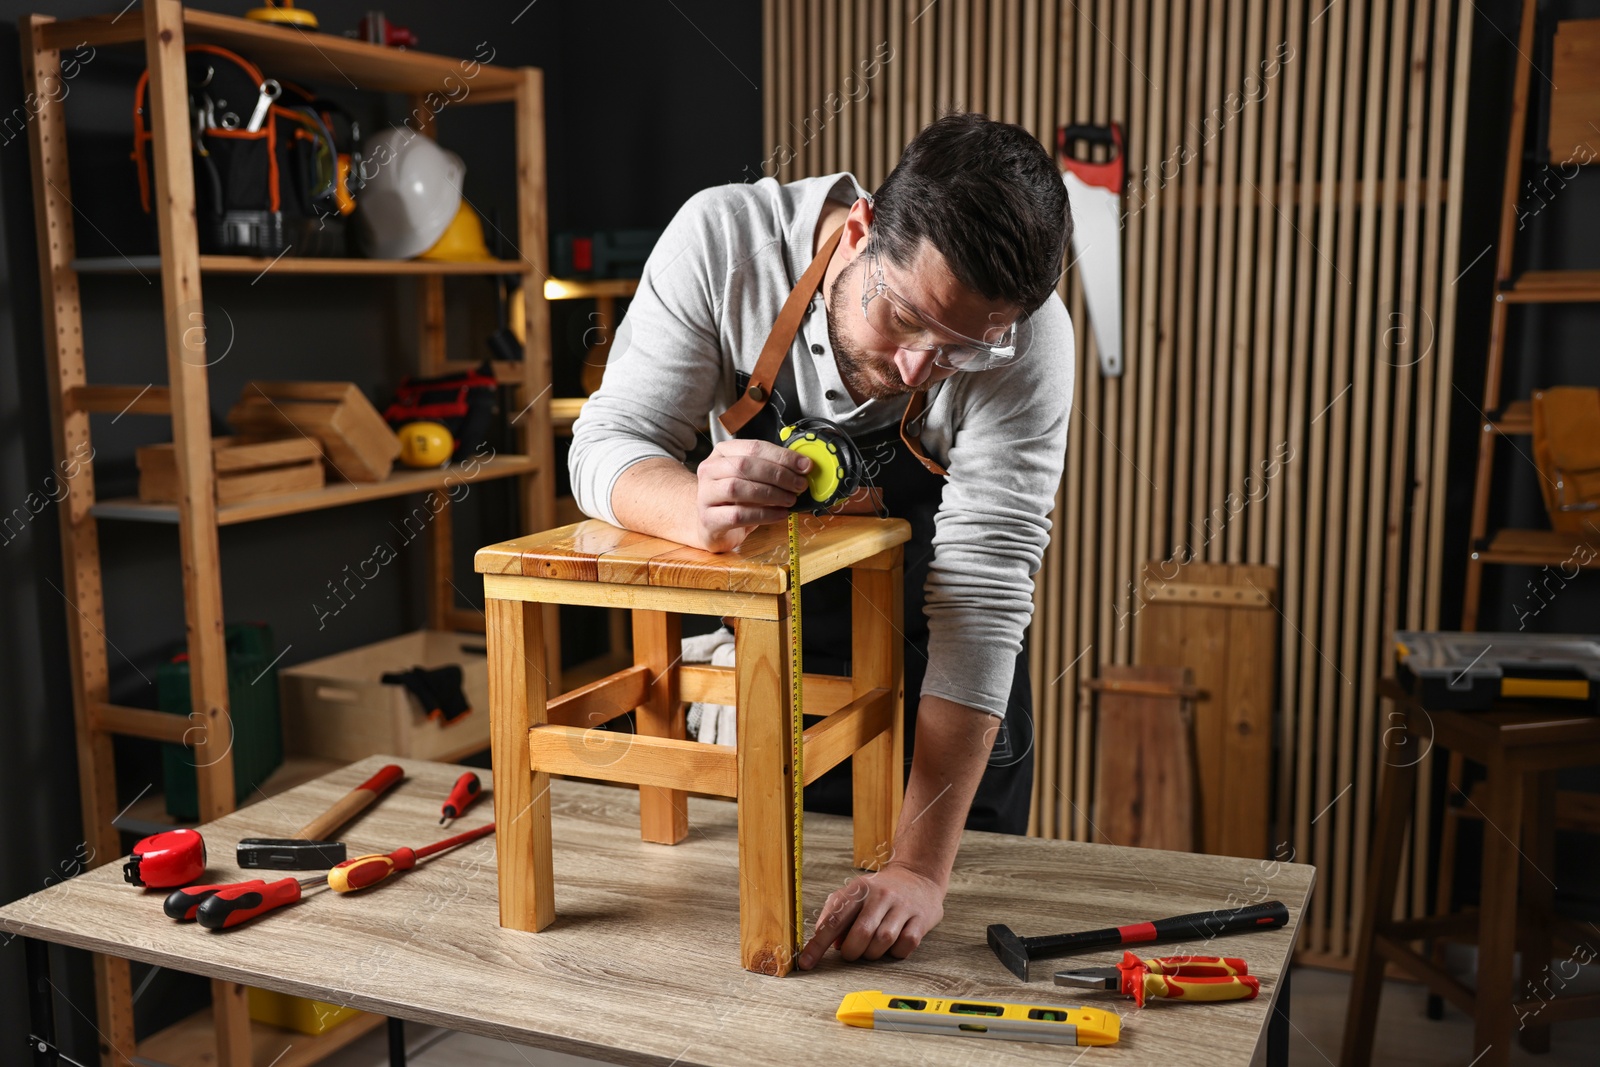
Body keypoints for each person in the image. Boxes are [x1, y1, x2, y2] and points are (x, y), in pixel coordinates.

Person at [569, 111, 1074, 970]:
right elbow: (604, 443)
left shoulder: (1028, 342)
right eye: (906, 317)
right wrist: (694, 505)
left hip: (938, 685)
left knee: (943, 980)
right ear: (862, 227)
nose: (919, 368)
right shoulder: (725, 242)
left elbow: (984, 593)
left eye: (960, 351)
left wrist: (919, 867)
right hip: (772, 669)